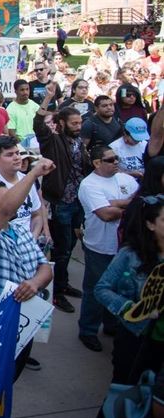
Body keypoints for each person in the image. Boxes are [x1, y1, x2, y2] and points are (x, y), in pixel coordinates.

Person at [0, 161, 55, 379]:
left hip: (23, 322)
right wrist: (33, 173)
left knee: (9, 379)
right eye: (9, 197)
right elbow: (6, 209)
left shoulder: (21, 232)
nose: (16, 202)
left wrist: (34, 283)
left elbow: (45, 268)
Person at [96, 196, 164, 384]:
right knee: (124, 394)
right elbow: (102, 289)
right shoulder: (131, 255)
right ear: (151, 225)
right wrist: (130, 309)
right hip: (136, 337)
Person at [78, 143, 137, 352]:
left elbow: (137, 201)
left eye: (116, 159)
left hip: (123, 248)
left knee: (120, 288)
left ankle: (111, 324)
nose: (116, 163)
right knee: (95, 290)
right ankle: (88, 330)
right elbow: (105, 214)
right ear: (96, 163)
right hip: (99, 247)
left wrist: (116, 203)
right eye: (110, 160)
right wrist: (128, 206)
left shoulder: (126, 179)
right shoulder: (89, 185)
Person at [34, 87, 88, 313]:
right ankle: (55, 293)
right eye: (74, 123)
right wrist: (47, 97)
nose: (78, 127)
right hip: (60, 201)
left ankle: (64, 284)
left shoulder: (80, 143)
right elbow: (39, 126)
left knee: (70, 244)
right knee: (61, 248)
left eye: (80, 123)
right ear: (62, 123)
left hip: (78, 200)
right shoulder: (54, 141)